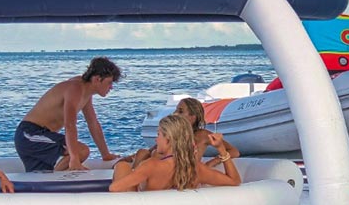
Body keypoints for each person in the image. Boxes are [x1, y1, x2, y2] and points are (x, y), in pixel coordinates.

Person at [15, 57, 121, 172]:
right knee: (81, 151)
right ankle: (56, 177)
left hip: (42, 136)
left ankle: (53, 176)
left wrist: (105, 154)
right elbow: (70, 125)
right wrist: (74, 158)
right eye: (109, 83)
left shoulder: (86, 91)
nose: (111, 87)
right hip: (29, 135)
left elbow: (93, 123)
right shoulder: (75, 88)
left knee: (42, 171)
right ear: (97, 79)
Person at [109, 113, 241, 193]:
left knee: (122, 166)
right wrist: (221, 149)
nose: (156, 140)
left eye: (158, 134)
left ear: (168, 139)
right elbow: (234, 181)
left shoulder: (151, 166)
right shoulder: (196, 168)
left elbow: (114, 188)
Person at [124, 96, 241, 169]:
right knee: (142, 152)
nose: (175, 113)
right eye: (176, 110)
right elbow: (150, 152)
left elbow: (234, 151)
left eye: (180, 111)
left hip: (186, 175)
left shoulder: (203, 135)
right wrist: (124, 160)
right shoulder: (172, 134)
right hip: (165, 173)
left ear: (193, 117)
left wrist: (212, 162)